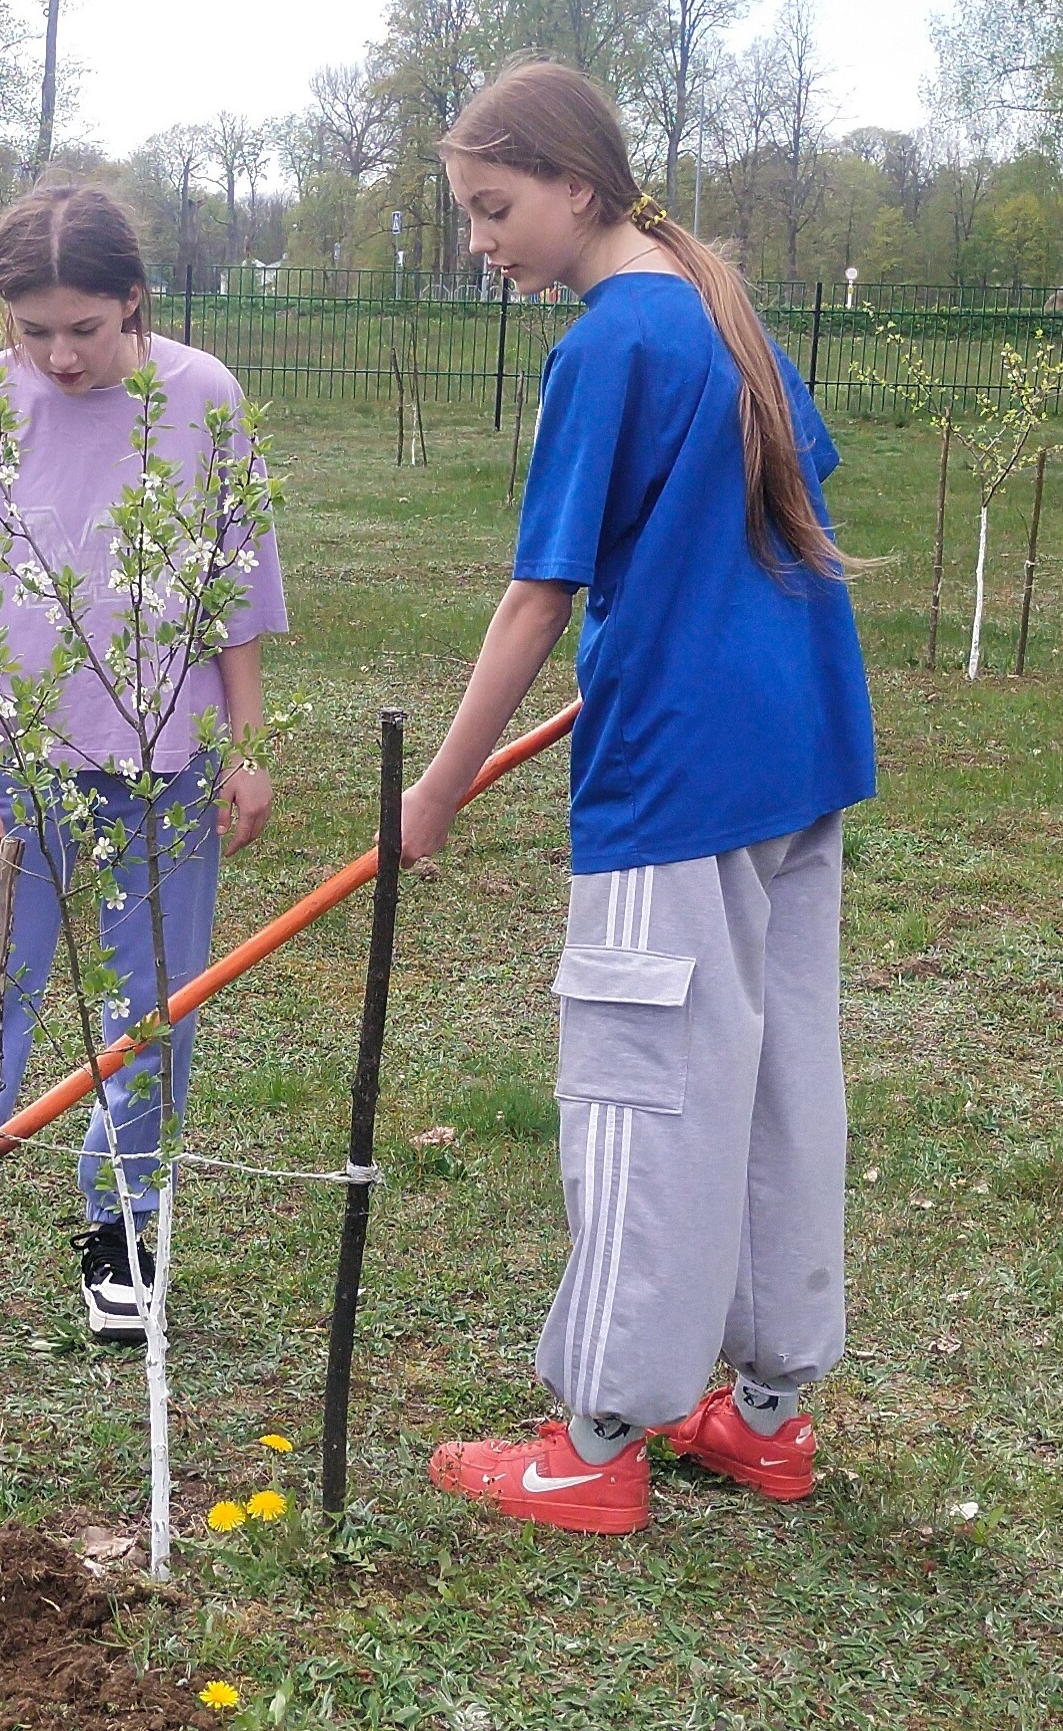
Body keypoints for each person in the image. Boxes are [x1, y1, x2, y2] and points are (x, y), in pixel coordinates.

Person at [402, 60, 876, 1533]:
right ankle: (769, 1416)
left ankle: (597, 1436)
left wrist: (439, 786)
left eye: (495, 210)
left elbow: (539, 596)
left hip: (678, 772)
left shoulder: (613, 339)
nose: (483, 246)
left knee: (646, 1087)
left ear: (581, 188)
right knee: (781, 1073)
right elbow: (738, 524)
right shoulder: (719, 303)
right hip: (799, 748)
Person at [0, 185, 287, 1384]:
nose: (58, 354)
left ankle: (121, 1224)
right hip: (20, 761)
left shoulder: (199, 399)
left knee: (154, 1009)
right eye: (32, 329)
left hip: (168, 759)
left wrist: (241, 747)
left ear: (132, 299)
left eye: (83, 328)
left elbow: (232, 585)